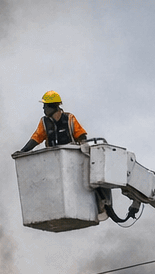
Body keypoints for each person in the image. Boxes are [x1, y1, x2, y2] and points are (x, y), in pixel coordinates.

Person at [17, 91, 126, 222]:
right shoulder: (44, 122)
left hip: (72, 159)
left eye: (45, 106)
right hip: (54, 160)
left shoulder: (69, 119)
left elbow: (81, 136)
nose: (43, 109)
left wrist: (82, 148)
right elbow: (36, 138)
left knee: (93, 177)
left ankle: (103, 204)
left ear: (53, 106)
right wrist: (23, 151)